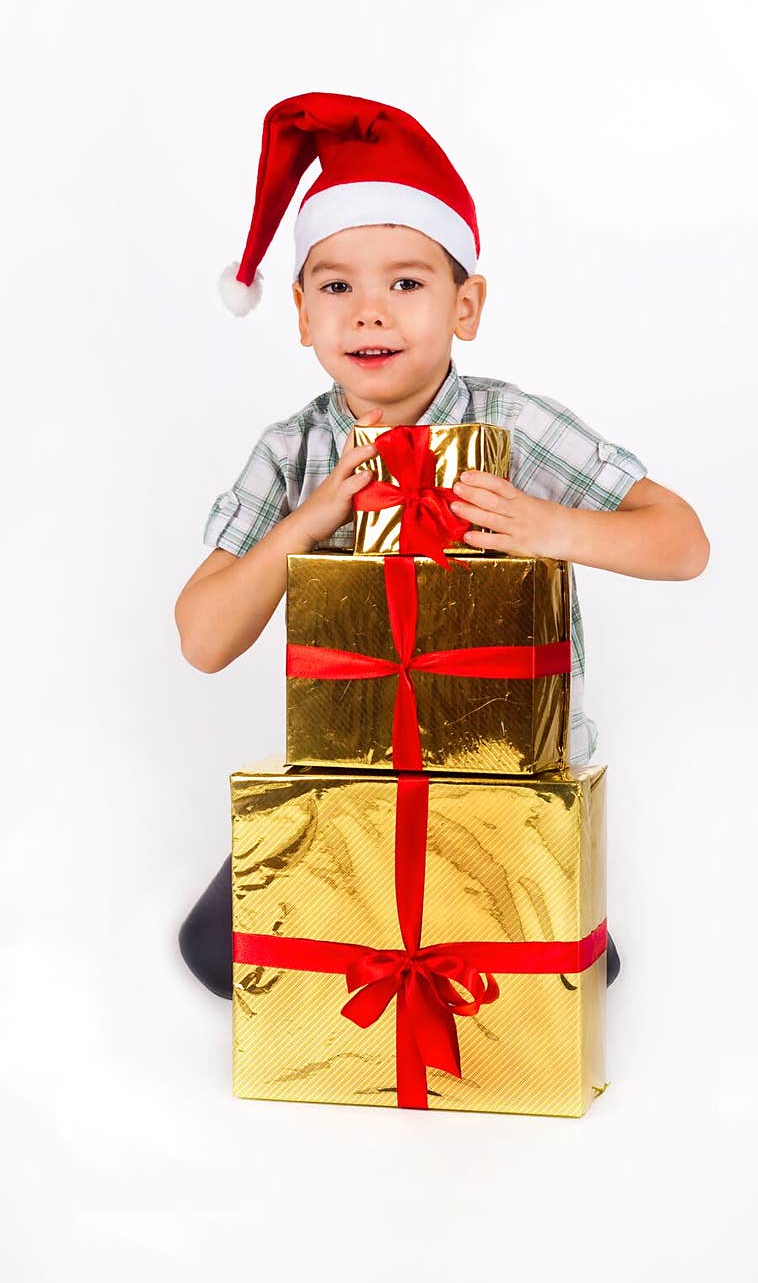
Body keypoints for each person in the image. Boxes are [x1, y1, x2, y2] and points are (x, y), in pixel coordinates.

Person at [175, 92, 710, 1001]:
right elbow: (204, 638)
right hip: (350, 785)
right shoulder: (290, 450)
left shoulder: (515, 423)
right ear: (301, 312)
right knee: (214, 948)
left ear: (466, 307)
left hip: (503, 784)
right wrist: (306, 523)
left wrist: (552, 528)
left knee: (568, 981)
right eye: (337, 285)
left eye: (407, 283)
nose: (370, 312)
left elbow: (683, 541)